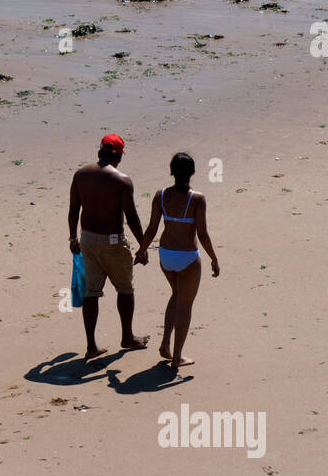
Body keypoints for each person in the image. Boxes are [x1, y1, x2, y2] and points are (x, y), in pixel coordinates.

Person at [68, 134, 149, 359]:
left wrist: (72, 238)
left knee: (91, 293)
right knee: (125, 289)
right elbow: (131, 217)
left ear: (99, 152)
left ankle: (91, 346)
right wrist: (143, 246)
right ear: (120, 157)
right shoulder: (122, 180)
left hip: (87, 240)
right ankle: (127, 337)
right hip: (113, 241)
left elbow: (74, 209)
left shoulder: (81, 175)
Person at [135, 152, 219, 369]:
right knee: (185, 305)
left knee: (176, 294)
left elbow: (152, 229)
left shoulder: (160, 195)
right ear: (192, 173)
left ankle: (165, 343)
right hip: (188, 257)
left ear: (171, 171)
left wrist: (141, 251)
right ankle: (177, 357)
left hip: (166, 255)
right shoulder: (197, 198)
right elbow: (202, 233)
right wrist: (214, 258)